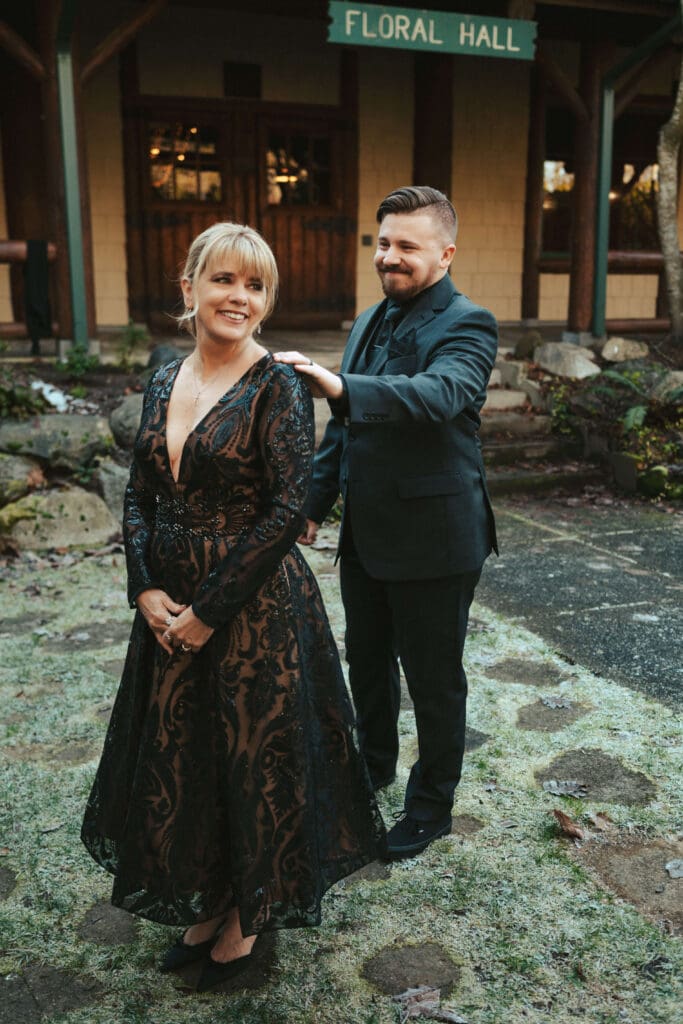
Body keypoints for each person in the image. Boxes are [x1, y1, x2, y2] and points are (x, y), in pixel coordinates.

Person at [81, 222, 385, 992]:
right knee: (189, 762)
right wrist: (143, 588)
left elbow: (286, 511)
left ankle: (249, 919)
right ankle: (212, 896)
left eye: (255, 286)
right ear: (189, 289)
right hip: (168, 605)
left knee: (255, 765)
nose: (239, 298)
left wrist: (208, 612)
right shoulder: (161, 377)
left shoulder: (276, 385)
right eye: (223, 280)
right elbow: (143, 492)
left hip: (251, 613)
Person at [274, 186, 498, 861]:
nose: (387, 256)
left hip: (436, 540)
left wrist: (341, 388)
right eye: (382, 243)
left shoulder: (467, 322)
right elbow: (343, 433)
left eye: (405, 245)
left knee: (433, 679)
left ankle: (430, 806)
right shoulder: (368, 320)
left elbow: (439, 395)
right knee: (367, 664)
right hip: (367, 537)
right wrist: (311, 508)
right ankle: (372, 768)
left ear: (445, 252)